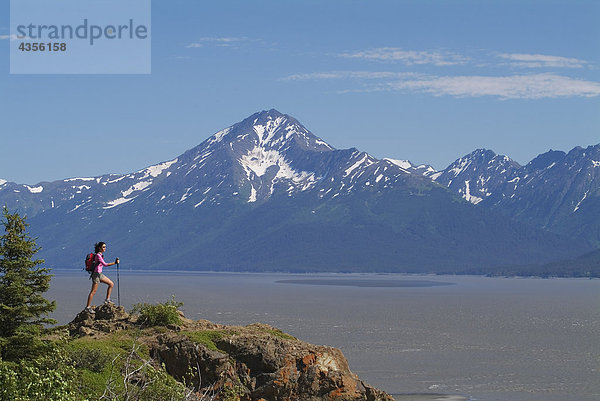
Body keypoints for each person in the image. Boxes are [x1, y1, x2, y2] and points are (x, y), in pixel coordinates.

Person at [85, 241, 119, 313]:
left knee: (111, 284)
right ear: (99, 248)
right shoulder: (98, 255)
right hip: (96, 275)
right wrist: (115, 263)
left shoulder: (100, 255)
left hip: (100, 274)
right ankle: (87, 307)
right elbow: (105, 264)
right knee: (93, 291)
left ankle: (107, 300)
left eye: (105, 247)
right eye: (103, 247)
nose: (105, 248)